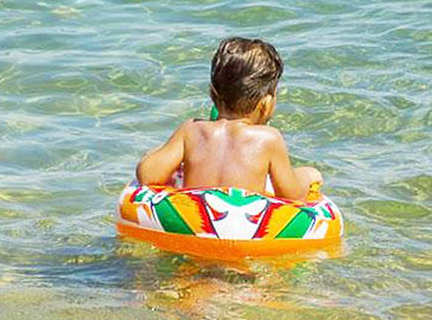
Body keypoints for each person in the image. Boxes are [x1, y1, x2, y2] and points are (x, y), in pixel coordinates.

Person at [135, 37, 323, 201]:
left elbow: (148, 175)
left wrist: (151, 155)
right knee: (307, 175)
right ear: (266, 103)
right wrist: (308, 176)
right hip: (242, 232)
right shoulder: (268, 138)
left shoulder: (191, 130)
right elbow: (291, 194)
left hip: (193, 227)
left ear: (212, 93)